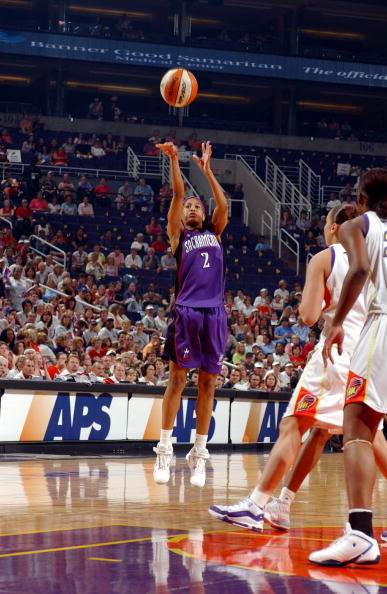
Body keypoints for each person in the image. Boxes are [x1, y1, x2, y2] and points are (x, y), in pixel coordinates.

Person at [209, 203, 387, 539]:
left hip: (337, 353)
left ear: (334, 227)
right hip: (372, 349)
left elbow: (307, 315)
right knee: (336, 432)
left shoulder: (327, 257)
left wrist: (325, 305)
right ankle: (282, 503)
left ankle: (256, 504)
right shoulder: (378, 255)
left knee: (293, 424)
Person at [310, 168, 387, 565]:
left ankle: (360, 533)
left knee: (357, 428)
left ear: (361, 198)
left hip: (380, 328)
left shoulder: (357, 225)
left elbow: (357, 270)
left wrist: (337, 321)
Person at [153, 141, 228, 488]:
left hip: (215, 314)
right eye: (190, 207)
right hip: (186, 313)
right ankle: (165, 448)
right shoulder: (178, 236)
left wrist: (209, 171)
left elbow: (223, 205)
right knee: (178, 380)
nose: (194, 208)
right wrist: (175, 160)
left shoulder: (215, 232)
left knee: (209, 383)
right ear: (183, 216)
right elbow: (178, 194)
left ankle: (199, 451)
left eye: (199, 206)